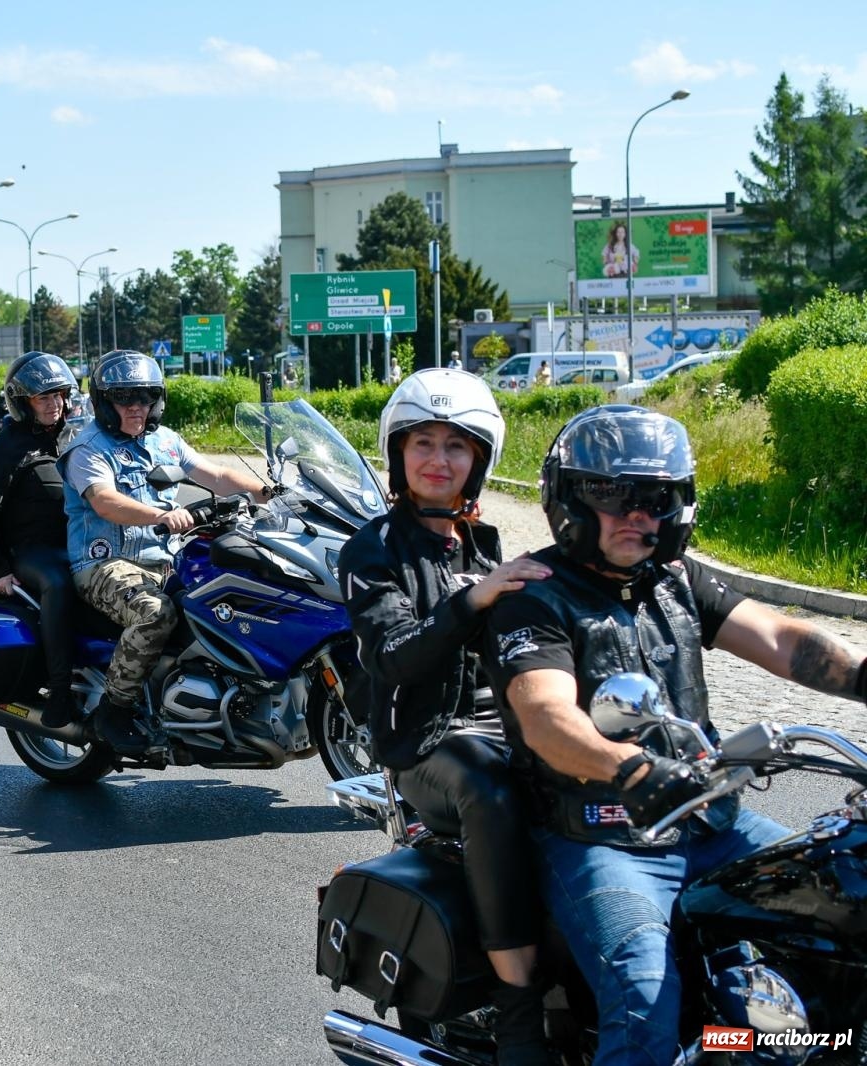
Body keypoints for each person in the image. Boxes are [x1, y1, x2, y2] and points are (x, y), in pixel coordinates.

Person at [482, 405, 867, 1066]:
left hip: (711, 824)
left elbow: (782, 639)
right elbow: (546, 716)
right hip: (604, 836)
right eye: (614, 496)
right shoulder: (534, 597)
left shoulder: (676, 581)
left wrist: (863, 676)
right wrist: (629, 769)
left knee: (839, 905)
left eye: (656, 499)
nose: (639, 514)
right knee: (643, 993)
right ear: (570, 500)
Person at [337, 369, 553, 1066]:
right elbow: (395, 656)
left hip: (508, 728)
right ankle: (519, 1007)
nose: (439, 460)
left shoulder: (485, 545)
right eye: (423, 442)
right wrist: (476, 599)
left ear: (479, 458)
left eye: (457, 446)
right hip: (429, 743)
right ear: (398, 454)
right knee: (491, 788)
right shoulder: (373, 550)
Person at [60, 350, 272, 754]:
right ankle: (115, 708)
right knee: (155, 614)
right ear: (104, 402)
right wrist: (162, 514)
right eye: (125, 398)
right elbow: (105, 502)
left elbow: (218, 474)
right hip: (104, 564)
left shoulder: (165, 440)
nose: (137, 407)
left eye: (145, 397)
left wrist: (267, 492)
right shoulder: (89, 448)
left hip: (165, 560)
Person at [0, 353, 80, 727]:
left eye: (59, 395)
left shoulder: (72, 440)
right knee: (60, 582)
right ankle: (60, 690)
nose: (54, 404)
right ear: (22, 402)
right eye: (43, 397)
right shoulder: (5, 450)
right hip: (32, 550)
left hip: (78, 542)